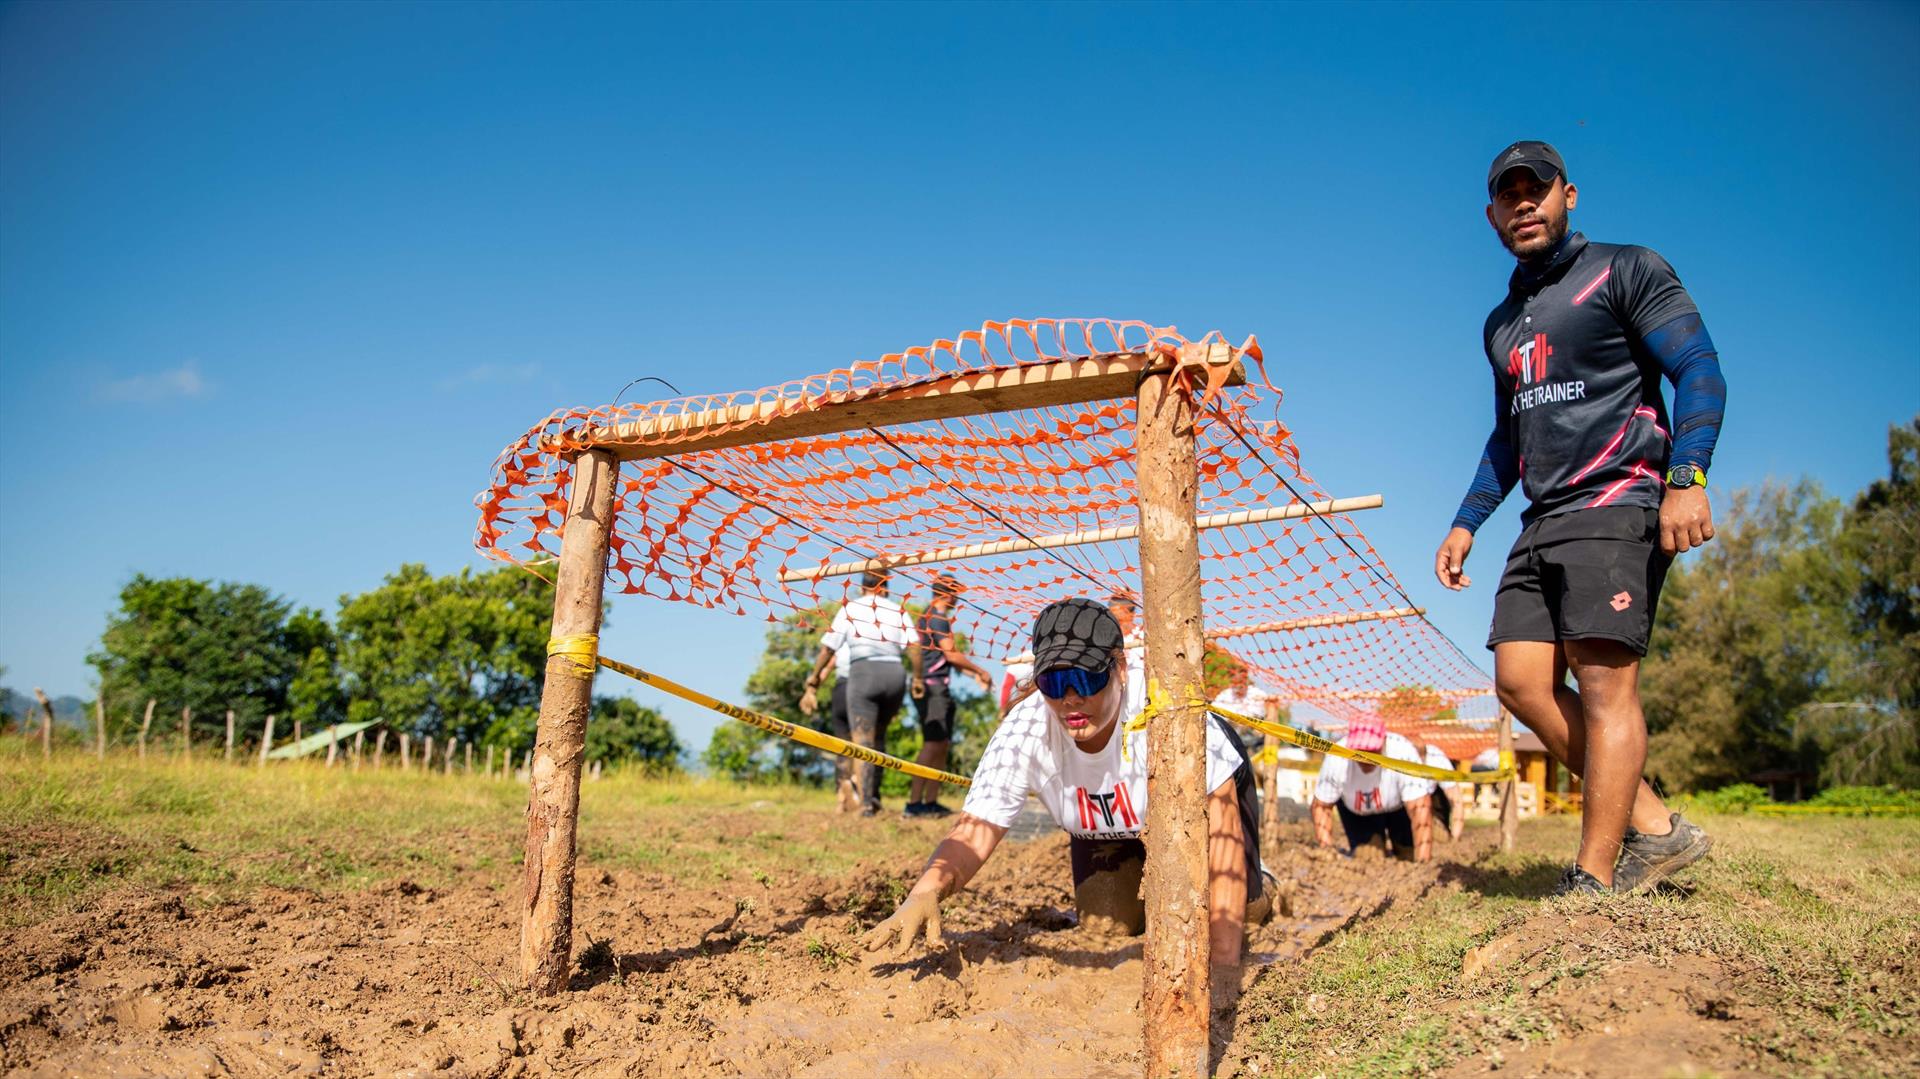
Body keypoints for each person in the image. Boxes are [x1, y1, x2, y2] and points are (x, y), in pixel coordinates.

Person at [1434, 140, 1723, 895]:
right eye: (1508, 193)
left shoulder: (1626, 269)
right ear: (1491, 214)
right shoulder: (1501, 324)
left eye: (1539, 188)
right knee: (1521, 682)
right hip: (1541, 517)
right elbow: (1511, 434)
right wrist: (1468, 520)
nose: (1524, 202)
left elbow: (1698, 367)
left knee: (1604, 687)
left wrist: (1687, 478)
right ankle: (1657, 827)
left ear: (1569, 195)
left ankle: (1594, 877)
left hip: (1618, 498)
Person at [865, 598, 1271, 980]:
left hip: (1196, 810)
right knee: (1105, 925)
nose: (1071, 699)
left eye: (1085, 677)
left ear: (1121, 669)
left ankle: (1266, 884)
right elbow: (975, 829)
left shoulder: (1166, 715)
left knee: (1240, 914)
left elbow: (1221, 843)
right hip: (1107, 830)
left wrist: (1221, 968)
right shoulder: (1025, 729)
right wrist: (924, 893)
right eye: (1054, 683)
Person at [803, 569, 916, 816]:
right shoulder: (896, 609)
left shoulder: (851, 609)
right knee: (879, 739)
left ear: (862, 586)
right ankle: (873, 797)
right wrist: (919, 676)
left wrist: (813, 679)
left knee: (859, 743)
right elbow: (914, 646)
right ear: (885, 586)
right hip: (895, 674)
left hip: (862, 675)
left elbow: (828, 650)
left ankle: (863, 804)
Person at [905, 575, 993, 818]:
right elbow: (952, 655)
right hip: (932, 688)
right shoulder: (937, 617)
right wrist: (982, 671)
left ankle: (930, 801)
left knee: (942, 744)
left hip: (938, 686)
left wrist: (973, 674)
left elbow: (948, 660)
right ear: (950, 593)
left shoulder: (929, 615)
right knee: (932, 743)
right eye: (958, 591)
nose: (959, 597)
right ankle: (914, 804)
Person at [1310, 717, 1435, 861]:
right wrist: (1327, 850)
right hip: (1360, 815)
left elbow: (1420, 807)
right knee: (1368, 856)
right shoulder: (1336, 759)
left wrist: (1423, 863)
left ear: (1384, 742)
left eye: (1372, 751)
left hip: (1399, 810)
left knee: (1409, 855)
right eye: (1360, 751)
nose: (1366, 758)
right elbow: (1321, 807)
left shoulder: (1403, 751)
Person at [799, 618, 859, 813]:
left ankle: (841, 799)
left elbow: (826, 668)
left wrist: (811, 689)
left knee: (843, 746)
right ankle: (859, 791)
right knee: (862, 746)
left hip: (841, 689)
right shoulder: (865, 643)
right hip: (860, 687)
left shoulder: (840, 645)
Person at [1420, 743, 1459, 840]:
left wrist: (1455, 837)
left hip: (1432, 795)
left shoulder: (1437, 758)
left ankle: (1440, 824)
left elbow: (1456, 799)